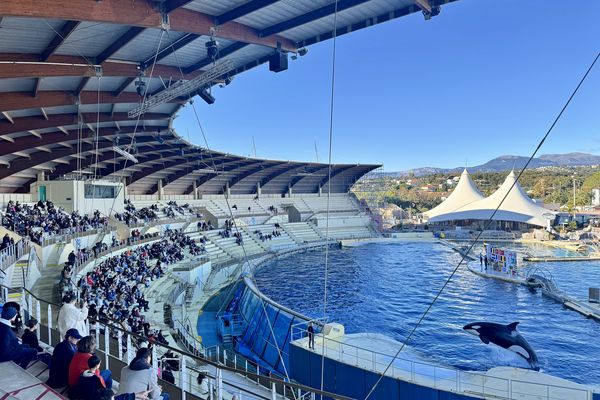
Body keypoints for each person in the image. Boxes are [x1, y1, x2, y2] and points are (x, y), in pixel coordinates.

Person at [76, 355, 148, 400]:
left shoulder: (83, 375)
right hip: (94, 391)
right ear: (97, 365)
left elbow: (119, 398)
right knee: (108, 374)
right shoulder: (96, 379)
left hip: (89, 393)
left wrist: (136, 395)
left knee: (109, 379)